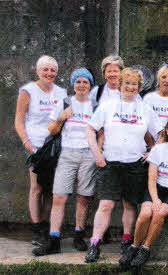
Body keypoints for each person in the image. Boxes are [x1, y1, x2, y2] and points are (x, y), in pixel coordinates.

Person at [85, 68, 163, 263]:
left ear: (138, 87)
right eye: (126, 83)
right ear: (120, 85)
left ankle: (126, 242)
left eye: (134, 84)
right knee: (106, 205)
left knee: (130, 206)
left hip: (135, 165)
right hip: (110, 163)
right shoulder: (107, 106)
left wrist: (152, 152)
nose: (130, 87)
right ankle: (94, 244)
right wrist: (97, 155)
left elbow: (162, 133)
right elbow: (90, 129)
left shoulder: (145, 109)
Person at [119, 115, 168, 266]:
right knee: (145, 213)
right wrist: (155, 199)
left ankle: (145, 248)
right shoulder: (159, 149)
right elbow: (152, 179)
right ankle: (134, 246)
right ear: (167, 131)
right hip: (157, 189)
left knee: (160, 212)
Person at [32, 68, 96, 256]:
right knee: (59, 196)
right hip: (66, 154)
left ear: (90, 85)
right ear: (73, 84)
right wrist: (61, 118)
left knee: (84, 197)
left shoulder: (96, 105)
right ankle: (54, 239)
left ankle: (79, 235)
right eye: (78, 82)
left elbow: (101, 132)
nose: (82, 85)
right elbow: (52, 130)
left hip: (88, 154)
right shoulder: (64, 103)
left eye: (85, 82)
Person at [14, 55, 67, 246]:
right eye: (45, 69)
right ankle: (37, 229)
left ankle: (47, 226)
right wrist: (27, 143)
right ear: (38, 71)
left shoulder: (61, 93)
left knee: (51, 190)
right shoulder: (28, 91)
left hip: (54, 146)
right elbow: (19, 121)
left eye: (53, 70)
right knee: (37, 188)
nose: (49, 73)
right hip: (35, 146)